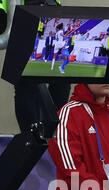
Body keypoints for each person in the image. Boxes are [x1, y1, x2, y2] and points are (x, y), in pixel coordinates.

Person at [14, 0, 70, 133]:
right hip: (24, 12)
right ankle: (31, 137)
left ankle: (52, 133)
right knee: (26, 84)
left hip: (51, 8)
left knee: (62, 83)